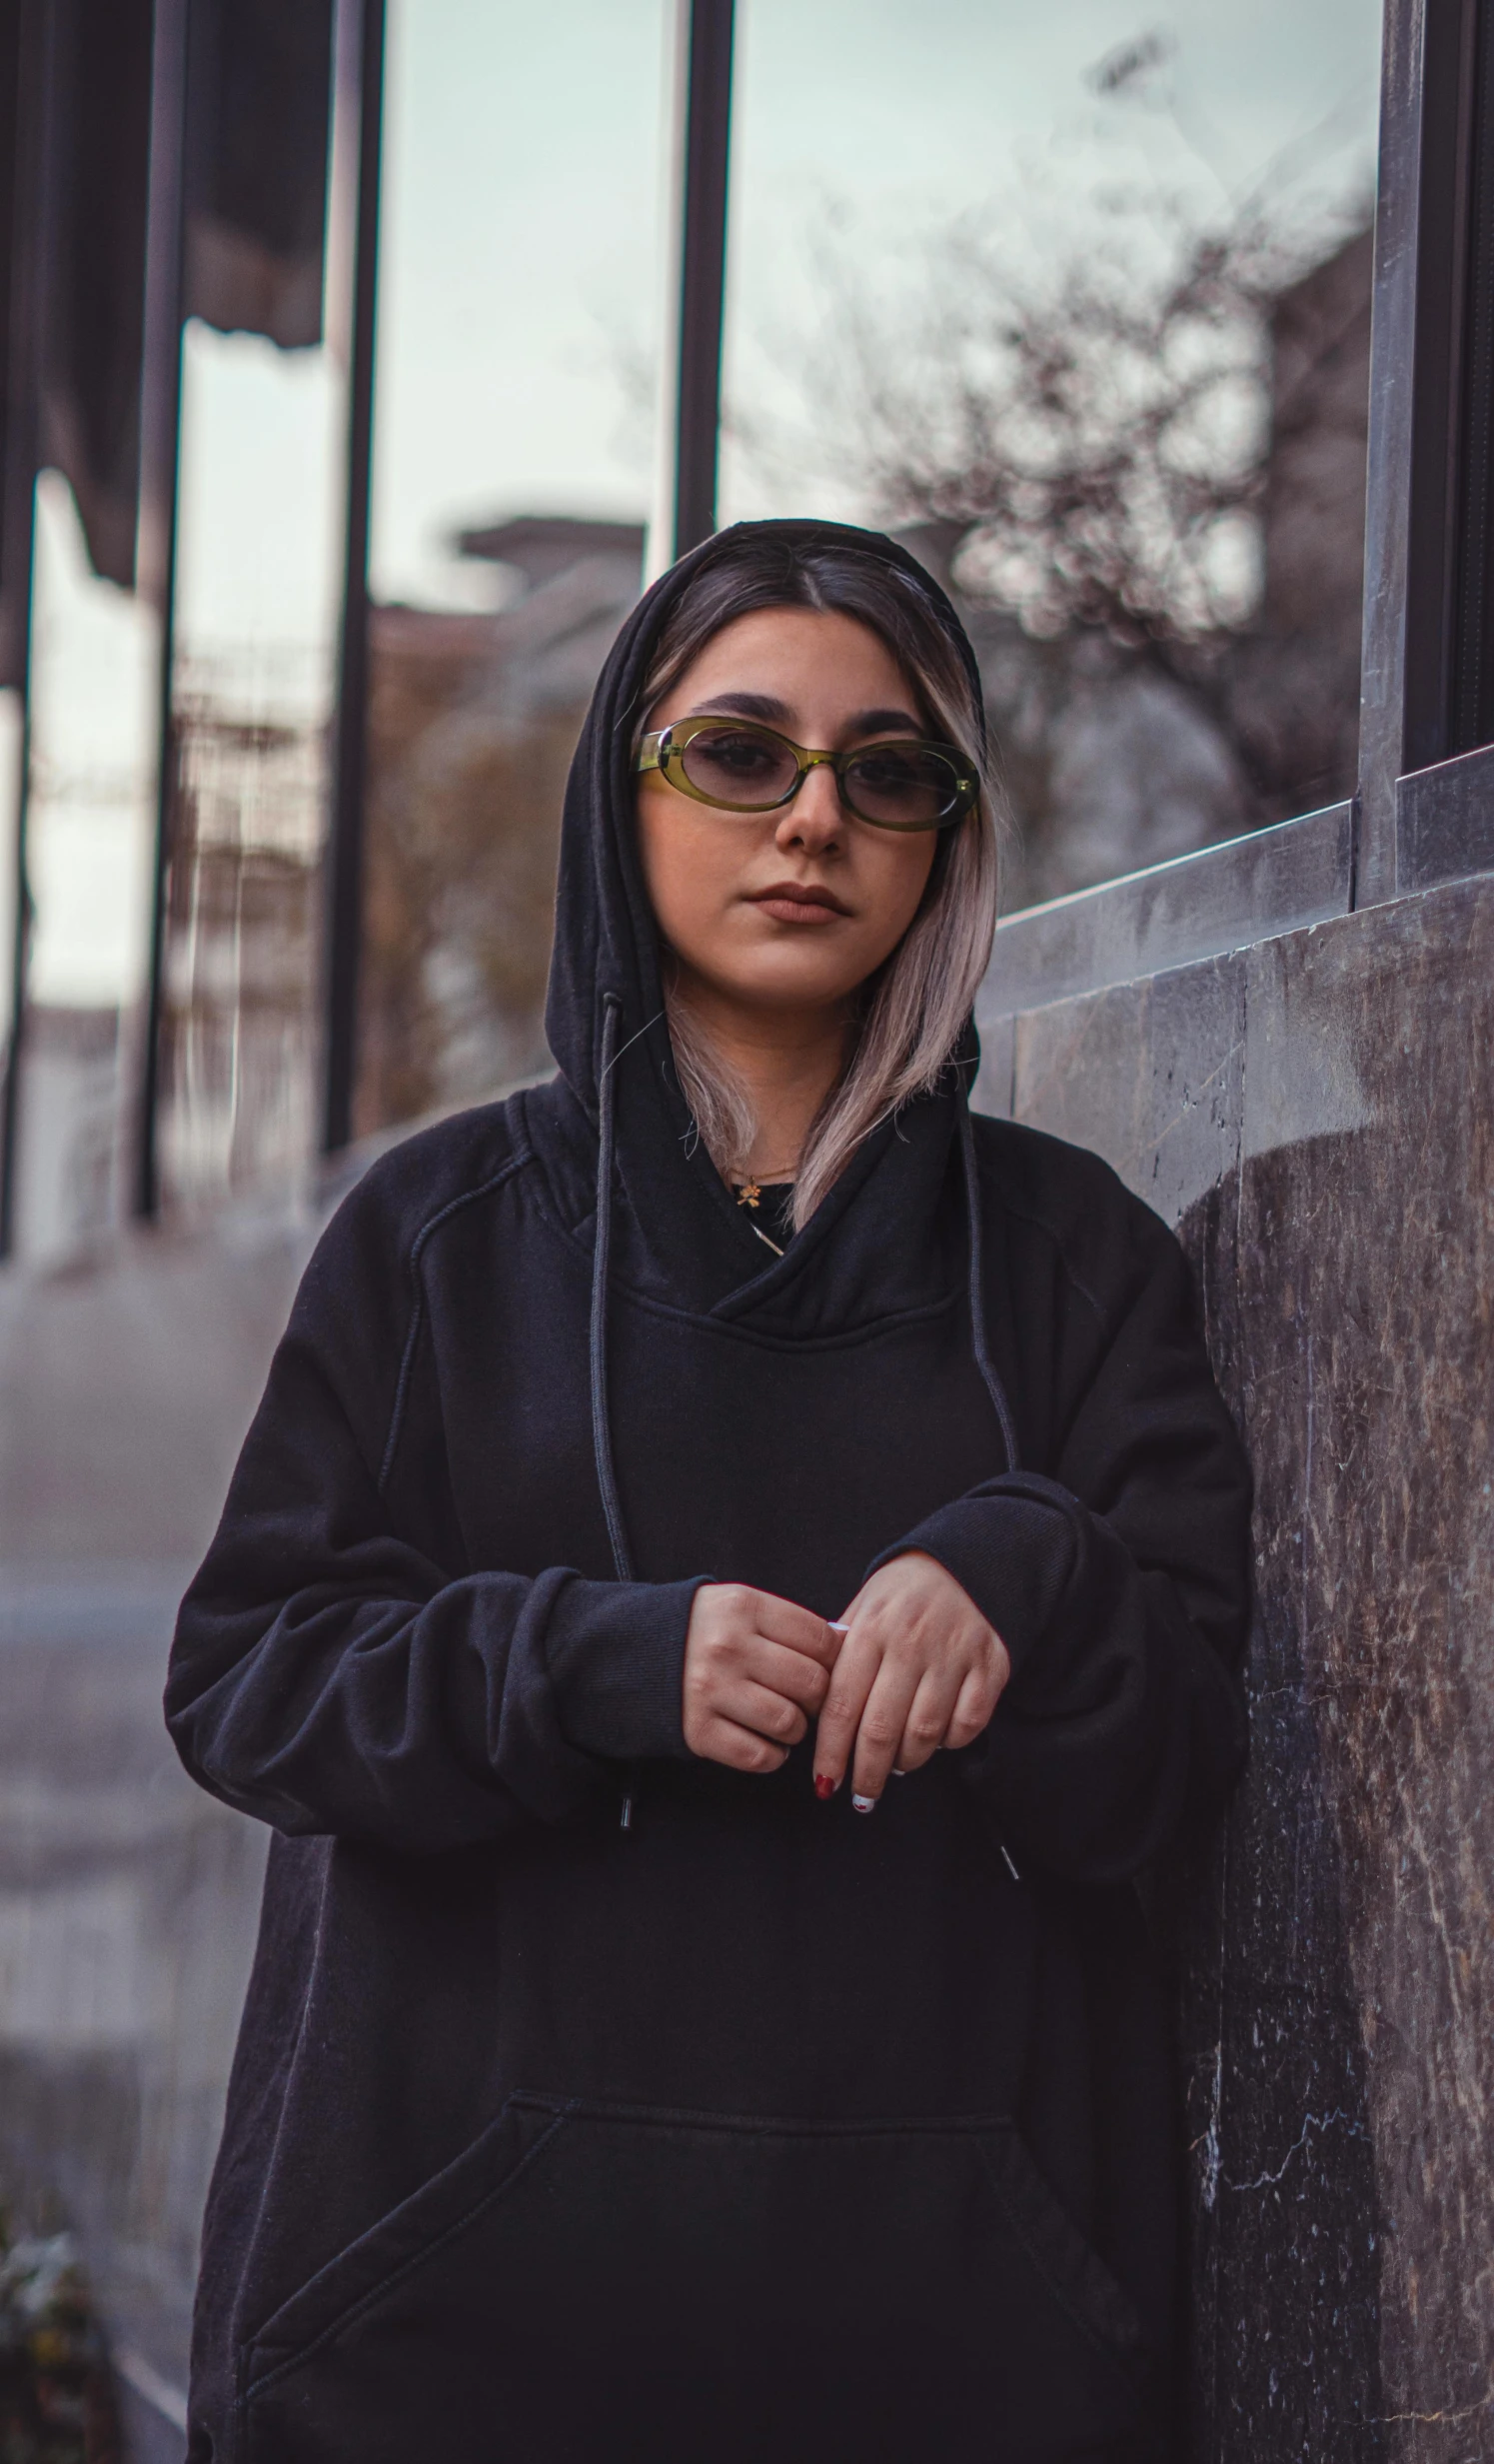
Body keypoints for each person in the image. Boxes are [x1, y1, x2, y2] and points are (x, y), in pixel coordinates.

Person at [166, 518, 1251, 2463]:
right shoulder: (436, 1237)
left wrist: (1031, 1578)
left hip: (957, 2366)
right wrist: (597, 1662)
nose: (812, 818)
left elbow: (1173, 1792)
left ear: (946, 837)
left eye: (887, 770)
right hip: (457, 2356)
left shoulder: (1084, 1264)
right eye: (741, 753)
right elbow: (250, 1678)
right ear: (627, 785)